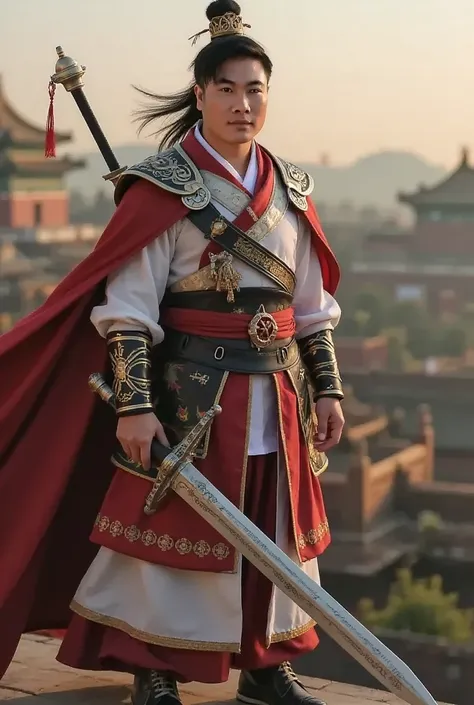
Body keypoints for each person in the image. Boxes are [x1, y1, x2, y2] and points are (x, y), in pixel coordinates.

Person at [0, 1, 345, 704]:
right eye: (227, 89)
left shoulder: (293, 188)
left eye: (255, 89)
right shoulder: (161, 188)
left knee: (274, 530)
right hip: (190, 395)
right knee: (161, 538)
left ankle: (266, 663)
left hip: (279, 398)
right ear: (201, 95)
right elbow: (126, 309)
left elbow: (310, 308)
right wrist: (135, 405)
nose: (243, 104)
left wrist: (329, 390)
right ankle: (151, 667)